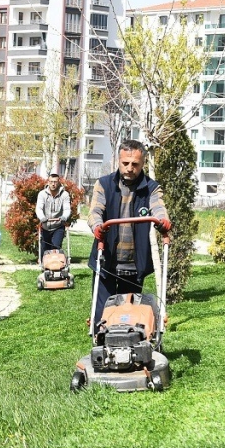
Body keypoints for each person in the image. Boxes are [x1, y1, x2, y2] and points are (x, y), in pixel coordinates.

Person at [87, 140, 172, 327]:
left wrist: (163, 220)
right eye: (125, 163)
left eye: (135, 164)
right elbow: (95, 212)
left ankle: (132, 351)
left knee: (130, 316)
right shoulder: (103, 184)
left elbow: (158, 207)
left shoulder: (151, 188)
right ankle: (101, 348)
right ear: (119, 161)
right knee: (102, 316)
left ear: (143, 164)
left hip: (134, 265)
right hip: (106, 261)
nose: (129, 168)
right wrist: (97, 226)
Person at [35, 173, 72, 254]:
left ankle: (56, 265)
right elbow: (39, 208)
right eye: (51, 181)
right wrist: (42, 218)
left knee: (55, 249)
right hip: (45, 227)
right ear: (48, 182)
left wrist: (64, 217)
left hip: (58, 226)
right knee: (44, 253)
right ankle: (44, 265)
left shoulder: (65, 195)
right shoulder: (42, 194)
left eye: (55, 182)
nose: (53, 184)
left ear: (59, 182)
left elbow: (67, 209)